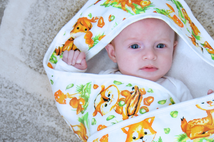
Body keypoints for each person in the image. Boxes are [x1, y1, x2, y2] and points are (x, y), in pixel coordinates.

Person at [62, 18, 193, 103]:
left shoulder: (176, 89)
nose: (150, 55)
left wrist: (212, 106)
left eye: (160, 46)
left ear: (173, 50)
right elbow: (75, 99)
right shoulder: (105, 80)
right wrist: (72, 69)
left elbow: (194, 122)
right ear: (113, 53)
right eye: (135, 46)